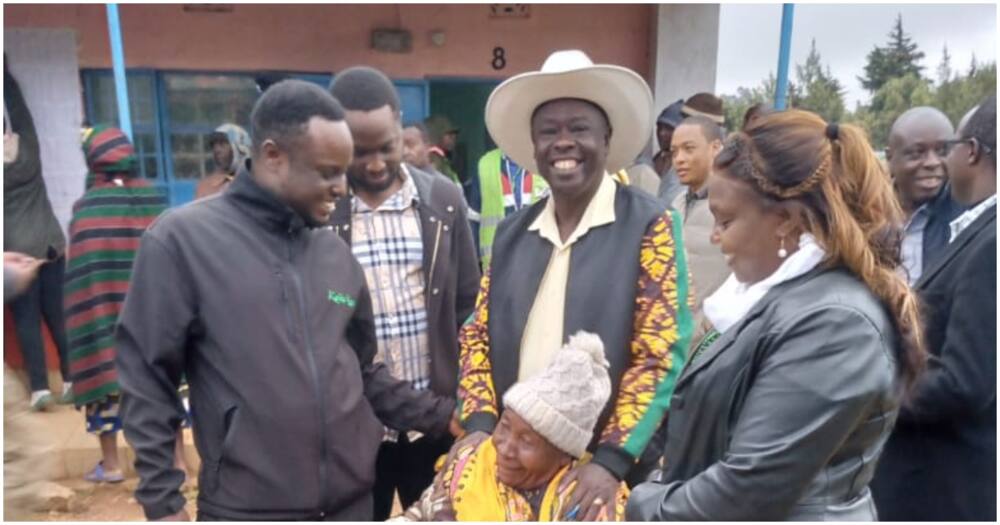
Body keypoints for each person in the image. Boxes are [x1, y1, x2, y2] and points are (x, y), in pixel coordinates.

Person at [115, 80, 455, 521]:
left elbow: (363, 372)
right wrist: (163, 504)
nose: (342, 188)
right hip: (249, 509)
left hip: (351, 507)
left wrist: (445, 415)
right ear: (273, 156)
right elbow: (146, 377)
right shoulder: (182, 241)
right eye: (327, 171)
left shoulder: (335, 256)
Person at [626, 110, 926, 520]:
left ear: (785, 220)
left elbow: (748, 487)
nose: (715, 237)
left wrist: (643, 502)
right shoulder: (781, 300)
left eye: (726, 221)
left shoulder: (835, 324)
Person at [455, 49, 694, 521]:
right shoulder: (512, 233)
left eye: (579, 128)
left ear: (606, 139)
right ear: (533, 146)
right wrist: (482, 426)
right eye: (549, 131)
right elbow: (477, 334)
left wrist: (611, 461)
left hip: (597, 477)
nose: (564, 142)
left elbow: (658, 353)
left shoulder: (650, 224)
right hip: (512, 463)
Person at [327, 66, 481, 521]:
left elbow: (469, 311)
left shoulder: (442, 201)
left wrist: (465, 403)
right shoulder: (321, 208)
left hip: (435, 422)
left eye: (387, 147)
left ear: (402, 128)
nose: (375, 163)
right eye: (359, 151)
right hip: (354, 426)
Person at [871, 96, 997, 521]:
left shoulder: (991, 243)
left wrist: (865, 394)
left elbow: (965, 380)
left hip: (941, 490)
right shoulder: (980, 232)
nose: (937, 161)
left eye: (948, 146)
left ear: (972, 152)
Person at [398, 332, 629, 521]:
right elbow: (419, 515)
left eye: (526, 441)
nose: (505, 448)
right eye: (504, 426)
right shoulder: (471, 462)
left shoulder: (589, 504)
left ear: (563, 456)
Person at [65, 126, 170, 484]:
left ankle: (111, 466)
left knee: (105, 377)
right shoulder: (154, 200)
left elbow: (81, 279)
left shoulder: (86, 210)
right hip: (154, 323)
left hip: (104, 320)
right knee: (160, 386)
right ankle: (178, 466)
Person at [4, 61, 73, 411]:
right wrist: (4, 74)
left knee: (26, 321)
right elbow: (20, 112)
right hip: (49, 244)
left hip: (15, 254)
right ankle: (72, 379)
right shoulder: (28, 154)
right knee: (58, 315)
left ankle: (39, 390)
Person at [885, 107, 965, 284]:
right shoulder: (863, 215)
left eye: (943, 152)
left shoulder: (965, 219)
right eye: (916, 153)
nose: (932, 163)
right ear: (890, 158)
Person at [669, 115, 726, 339]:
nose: (679, 159)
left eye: (689, 149)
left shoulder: (735, 208)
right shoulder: (676, 204)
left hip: (712, 341)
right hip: (674, 341)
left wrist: (707, 327)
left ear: (716, 148)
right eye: (674, 152)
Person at [473, 148, 548, 268]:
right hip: (497, 260)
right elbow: (473, 219)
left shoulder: (547, 160)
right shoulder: (486, 164)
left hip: (539, 257)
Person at [195, 123, 251, 199]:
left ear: (240, 148)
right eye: (214, 145)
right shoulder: (205, 186)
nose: (216, 150)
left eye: (222, 144)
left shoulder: (255, 183)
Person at [652, 99, 684, 205]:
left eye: (669, 128)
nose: (662, 133)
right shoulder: (652, 162)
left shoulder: (684, 168)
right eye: (659, 127)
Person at [424, 114, 461, 186]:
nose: (454, 138)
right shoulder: (432, 159)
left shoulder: (443, 158)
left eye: (454, 134)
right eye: (449, 134)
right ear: (436, 135)